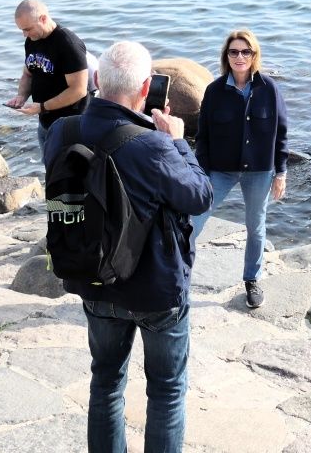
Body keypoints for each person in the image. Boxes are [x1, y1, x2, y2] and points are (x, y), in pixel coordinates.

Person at [43, 40, 212, 453]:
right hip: (155, 287)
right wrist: (177, 142)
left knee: (105, 384)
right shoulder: (153, 145)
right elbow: (199, 196)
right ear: (145, 88)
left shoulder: (61, 131)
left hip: (93, 278)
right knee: (167, 392)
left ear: (97, 81)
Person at [190, 29, 289, 309]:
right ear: (227, 56)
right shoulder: (214, 91)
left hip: (259, 171)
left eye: (246, 52)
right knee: (193, 220)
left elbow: (281, 133)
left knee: (255, 226)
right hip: (220, 170)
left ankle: (252, 280)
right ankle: (177, 275)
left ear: (254, 55)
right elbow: (203, 136)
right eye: (234, 52)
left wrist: (280, 173)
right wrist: (201, 173)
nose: (240, 57)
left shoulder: (268, 89)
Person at [4, 0, 90, 158]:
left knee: (67, 175)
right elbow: (28, 73)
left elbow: (78, 90)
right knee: (49, 169)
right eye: (22, 30)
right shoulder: (32, 40)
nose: (24, 34)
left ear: (43, 18)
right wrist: (21, 96)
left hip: (69, 125)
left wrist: (42, 107)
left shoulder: (68, 44)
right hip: (45, 121)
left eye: (27, 29)